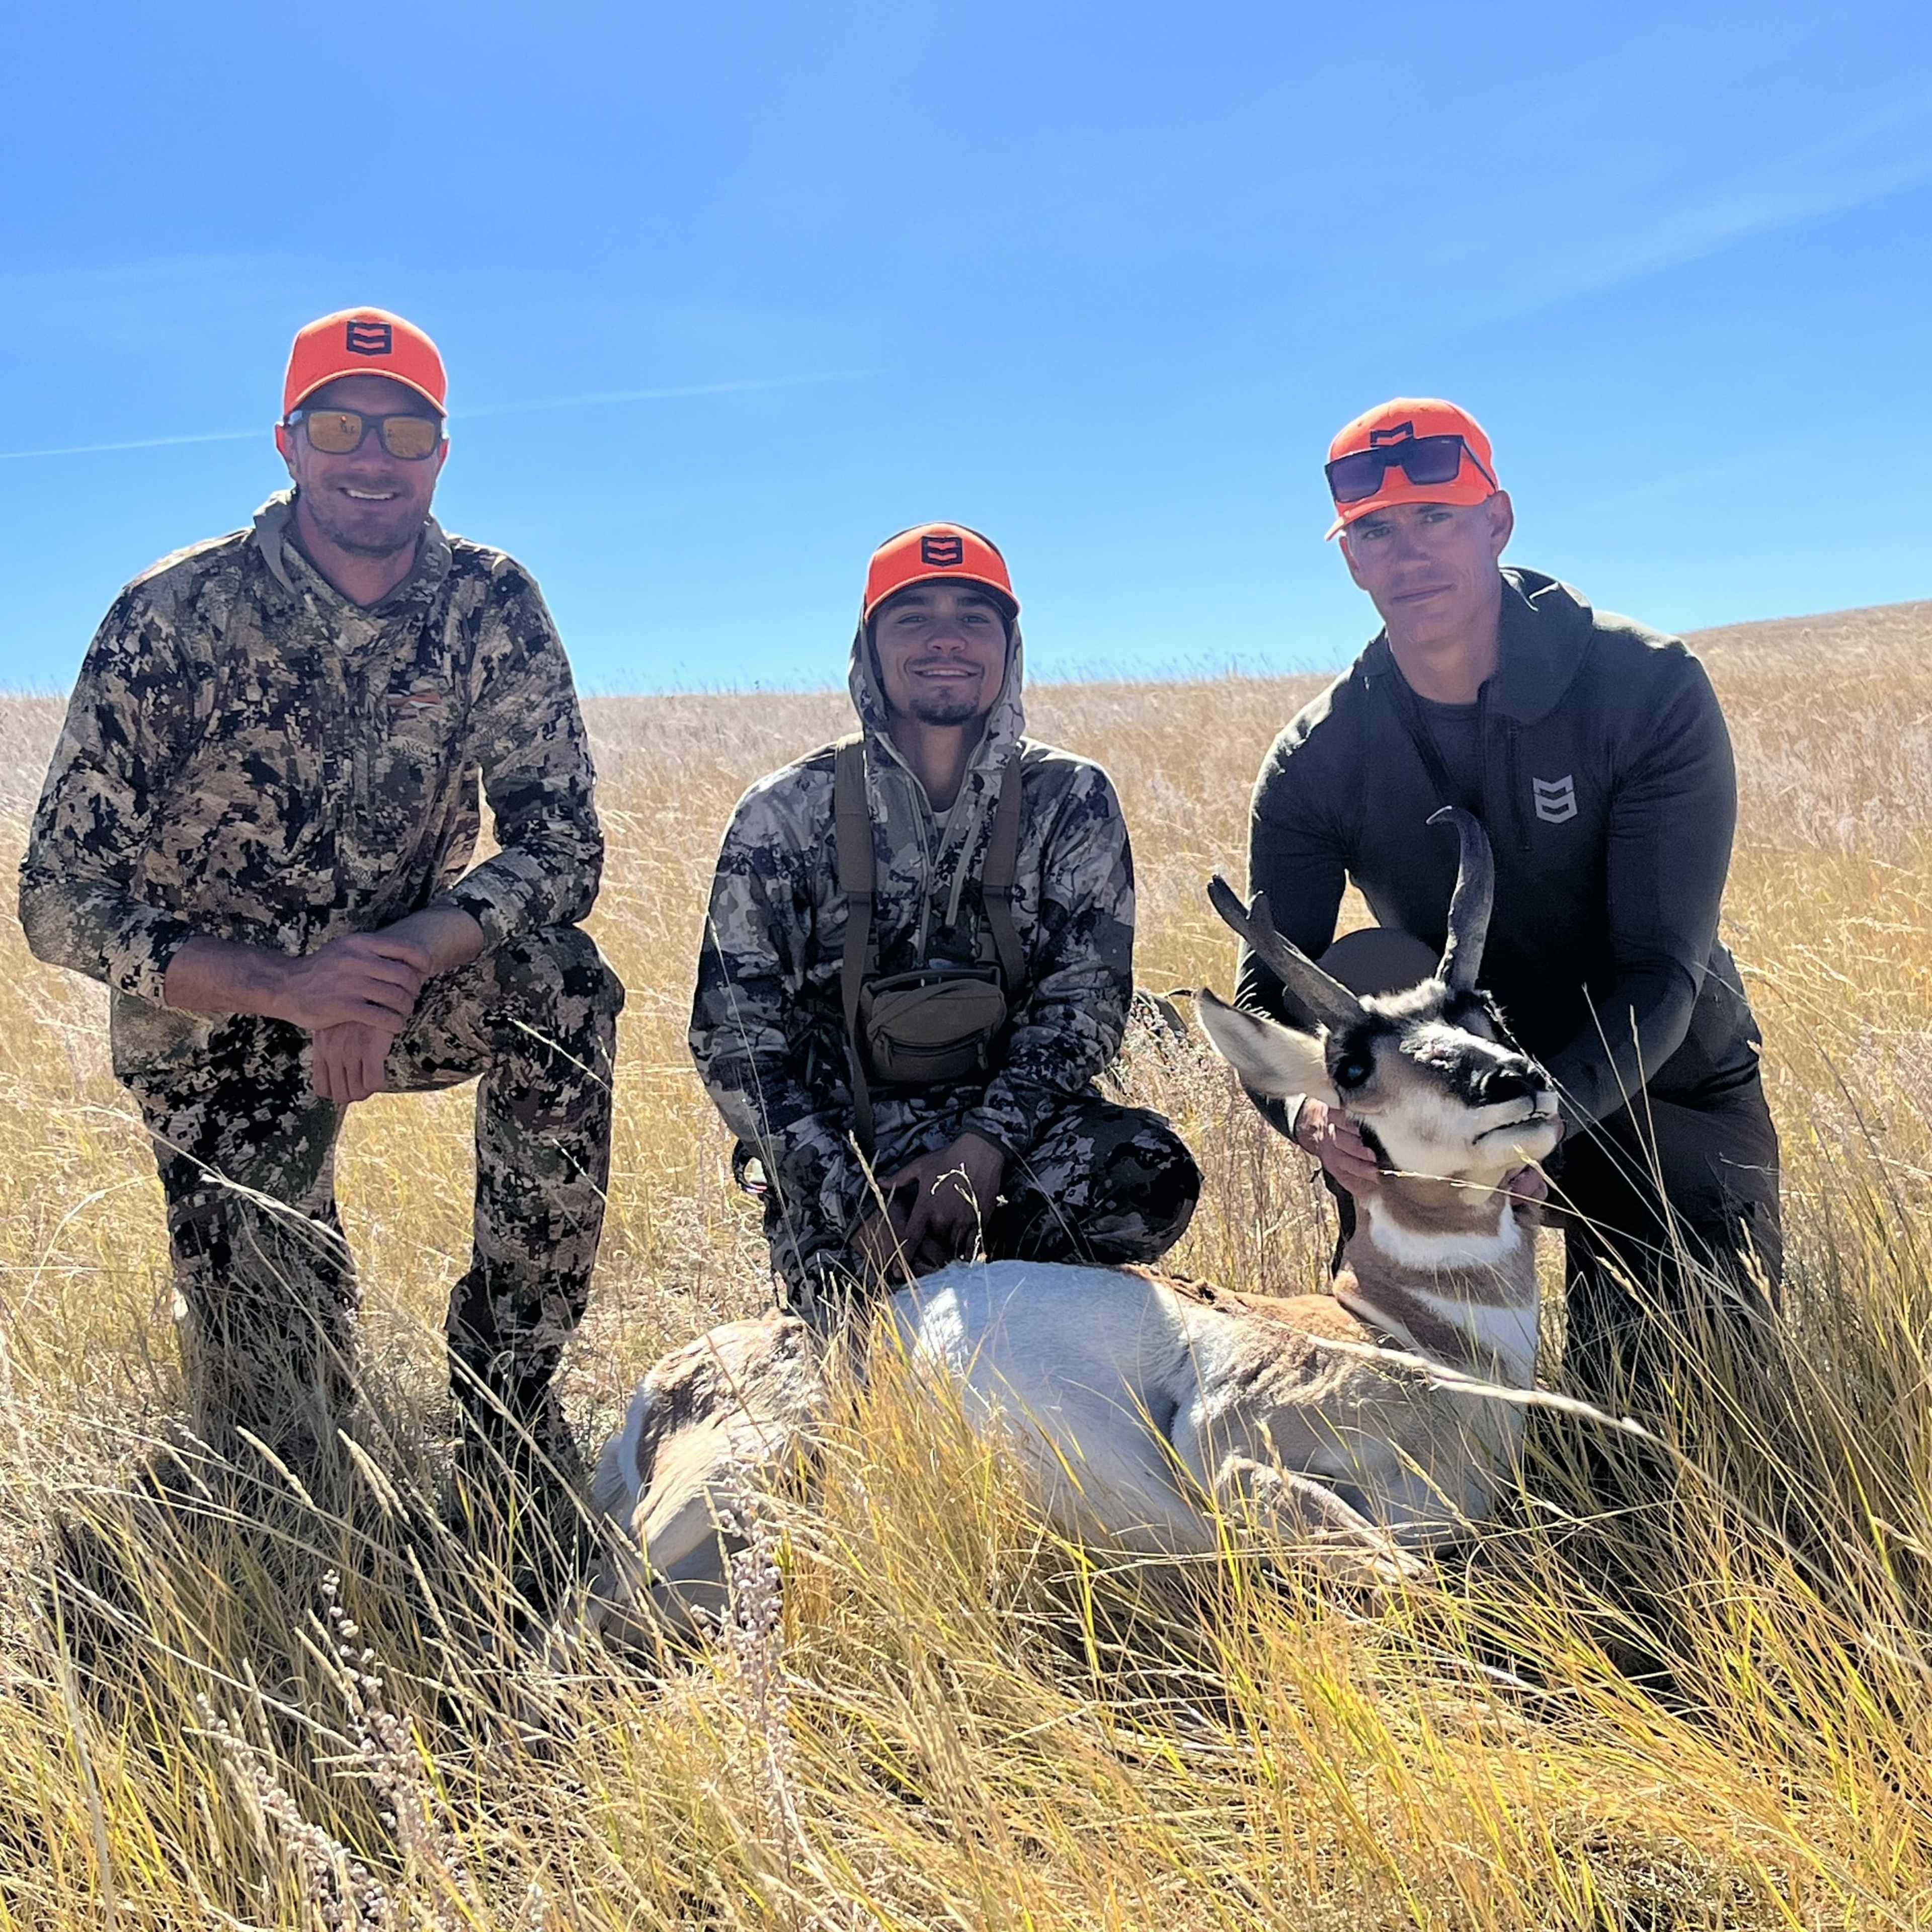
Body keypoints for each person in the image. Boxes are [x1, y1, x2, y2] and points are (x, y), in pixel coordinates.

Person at [19, 307, 622, 1499]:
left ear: (441, 454)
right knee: (285, 1443)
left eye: (405, 433)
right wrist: (291, 988)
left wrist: (394, 962)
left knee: (560, 983)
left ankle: (509, 1399)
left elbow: (563, 848)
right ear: (287, 442)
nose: (371, 458)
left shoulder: (492, 607)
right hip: (212, 1033)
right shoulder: (172, 616)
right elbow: (55, 900)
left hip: (402, 992)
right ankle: (283, 1392)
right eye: (341, 425)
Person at [1238, 398, 1780, 1404]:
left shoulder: (1648, 687)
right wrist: (1316, 1117)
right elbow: (1267, 996)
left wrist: (1536, 1123)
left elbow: (1664, 968)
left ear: (1498, 522)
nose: (1409, 552)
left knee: (1681, 1428)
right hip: (1450, 1108)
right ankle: (1406, 1289)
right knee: (1410, 1423)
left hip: (1655, 1071)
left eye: (1437, 517)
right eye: (1377, 532)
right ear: (1351, 559)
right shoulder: (1315, 762)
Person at [690, 523, 1198, 1324]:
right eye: (913, 617)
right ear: (869, 645)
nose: (945, 641)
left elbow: (1087, 1004)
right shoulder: (782, 813)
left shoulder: (1071, 798)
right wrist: (854, 1202)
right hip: (850, 1155)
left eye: (972, 617)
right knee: (864, 1348)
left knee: (1146, 1175)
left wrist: (983, 1150)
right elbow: (736, 1042)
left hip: (1016, 1136)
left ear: (1009, 644)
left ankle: (1024, 1329)